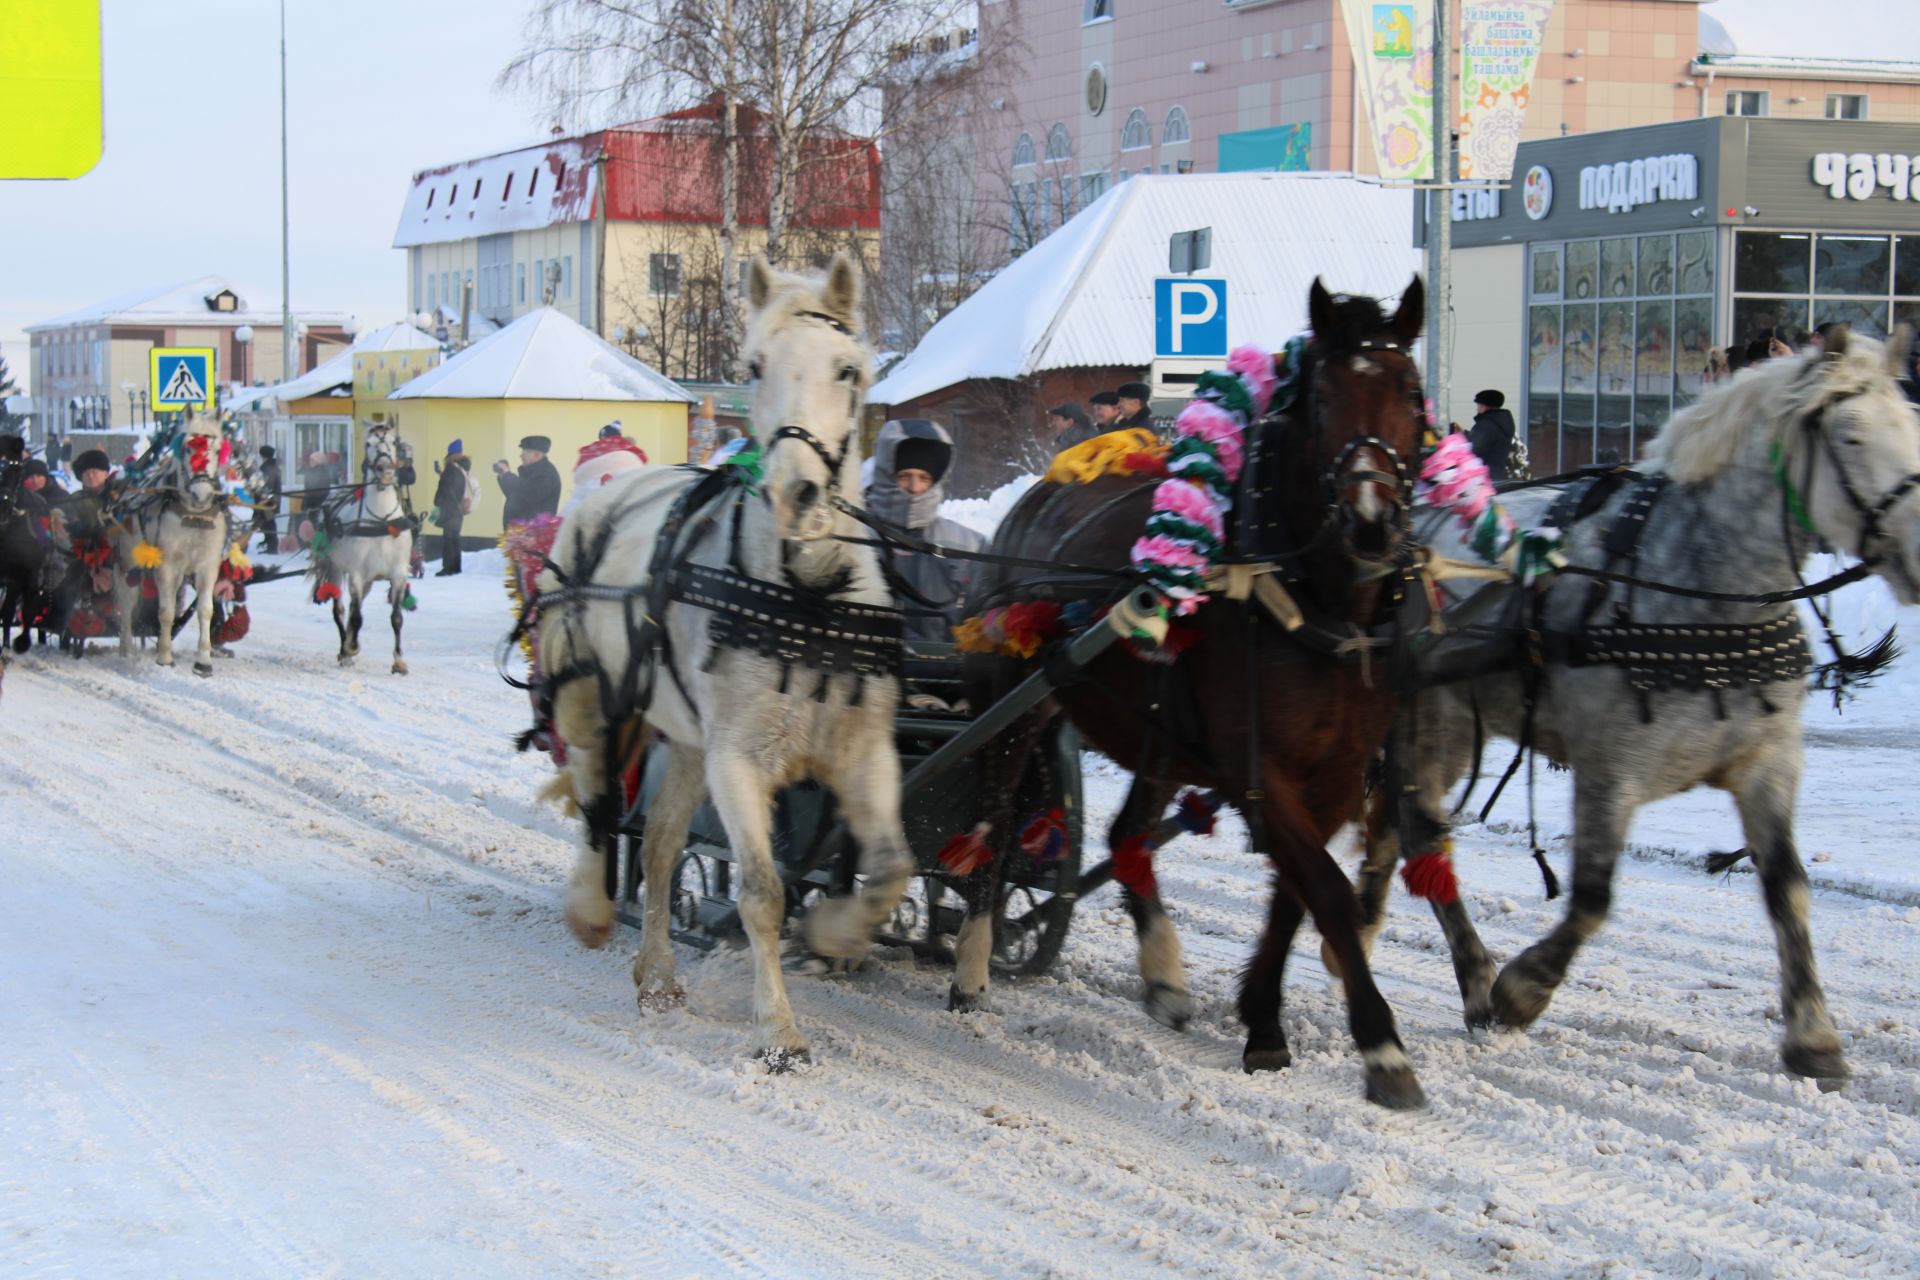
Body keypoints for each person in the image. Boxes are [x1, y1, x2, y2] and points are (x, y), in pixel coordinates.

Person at [864, 419, 987, 643]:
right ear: (886, 476)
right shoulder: (859, 542)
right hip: (877, 671)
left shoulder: (971, 545)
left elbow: (987, 611)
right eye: (904, 476)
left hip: (951, 672)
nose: (915, 487)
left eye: (924, 478)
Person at [432, 439, 477, 576]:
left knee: (449, 539)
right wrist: (442, 473)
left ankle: (448, 568)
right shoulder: (463, 467)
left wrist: (437, 501)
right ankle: (456, 567)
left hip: (450, 508)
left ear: (451, 453)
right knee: (455, 538)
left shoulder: (451, 468)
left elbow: (445, 487)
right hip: (459, 507)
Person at [495, 434, 562, 526]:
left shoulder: (546, 474)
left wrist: (507, 476)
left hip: (535, 533)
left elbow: (527, 494)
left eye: (524, 452)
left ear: (536, 455)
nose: (521, 456)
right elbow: (514, 496)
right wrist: (503, 477)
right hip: (521, 532)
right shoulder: (533, 471)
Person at [1469, 390, 1518, 482]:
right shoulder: (1502, 423)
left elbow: (1471, 449)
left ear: (1484, 406)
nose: (1477, 408)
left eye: (1478, 405)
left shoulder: (1486, 425)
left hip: (1482, 480)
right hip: (1497, 476)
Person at [250, 446, 283, 555]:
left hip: (268, 501)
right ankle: (269, 541)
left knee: (268, 522)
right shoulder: (271, 466)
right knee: (265, 522)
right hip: (270, 499)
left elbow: (265, 485)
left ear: (263, 456)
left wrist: (258, 492)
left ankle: (272, 545)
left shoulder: (268, 468)